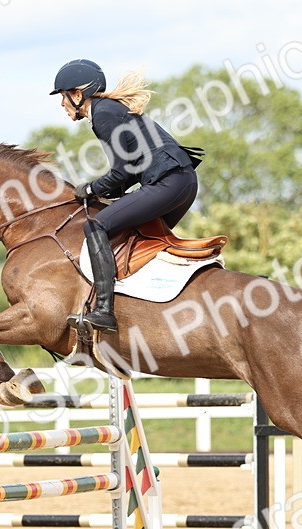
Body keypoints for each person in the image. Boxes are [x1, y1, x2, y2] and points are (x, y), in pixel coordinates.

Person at [51, 59, 202, 332]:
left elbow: (121, 172)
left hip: (168, 182)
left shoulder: (103, 114)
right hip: (182, 182)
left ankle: (104, 310)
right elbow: (132, 170)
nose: (61, 104)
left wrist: (91, 189)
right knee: (138, 237)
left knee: (96, 225)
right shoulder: (110, 110)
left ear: (77, 94)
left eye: (63, 96)